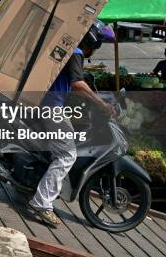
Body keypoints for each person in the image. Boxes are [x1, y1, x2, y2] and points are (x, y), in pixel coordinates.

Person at [28, 20, 116, 227]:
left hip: (44, 102)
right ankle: (41, 203)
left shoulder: (68, 48)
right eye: (98, 44)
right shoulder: (75, 52)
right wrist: (101, 103)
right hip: (50, 106)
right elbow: (77, 83)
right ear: (93, 42)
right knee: (67, 155)